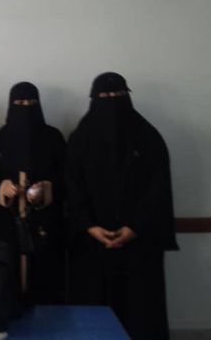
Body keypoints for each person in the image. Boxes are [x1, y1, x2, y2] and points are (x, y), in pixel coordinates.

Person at [66, 72, 178, 340]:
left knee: (141, 313)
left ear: (127, 97)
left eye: (117, 95)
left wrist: (134, 227)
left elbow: (158, 189)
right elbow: (72, 186)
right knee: (94, 313)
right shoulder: (80, 139)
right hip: (92, 244)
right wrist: (90, 226)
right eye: (104, 96)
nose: (111, 101)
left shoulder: (148, 138)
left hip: (140, 244)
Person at [0, 82, 66, 305]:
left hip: (46, 224)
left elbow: (68, 176)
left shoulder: (53, 137)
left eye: (31, 102)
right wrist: (3, 187)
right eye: (20, 103)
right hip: (9, 223)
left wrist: (47, 189)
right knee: (9, 279)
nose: (26, 107)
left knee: (46, 282)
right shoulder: (2, 137)